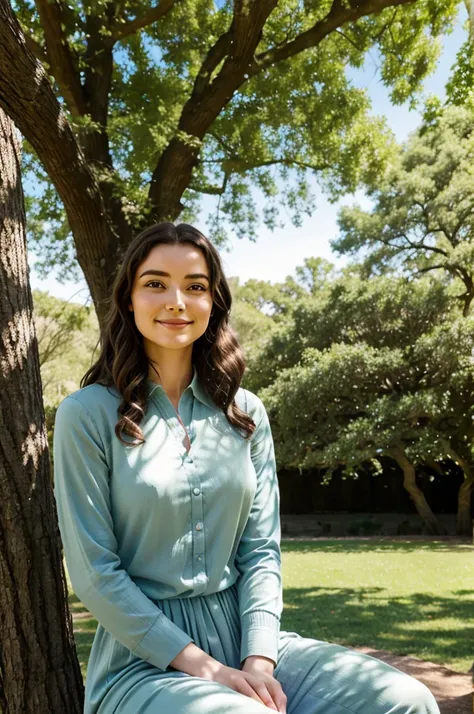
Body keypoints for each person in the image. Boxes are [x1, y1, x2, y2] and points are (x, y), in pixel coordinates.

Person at [53, 222, 440, 714]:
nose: (176, 301)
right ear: (128, 299)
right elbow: (95, 574)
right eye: (155, 283)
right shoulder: (85, 415)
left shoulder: (246, 413)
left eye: (195, 286)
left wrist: (259, 660)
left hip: (250, 640)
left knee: (405, 700)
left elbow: (261, 551)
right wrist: (209, 670)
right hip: (142, 663)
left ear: (213, 301)